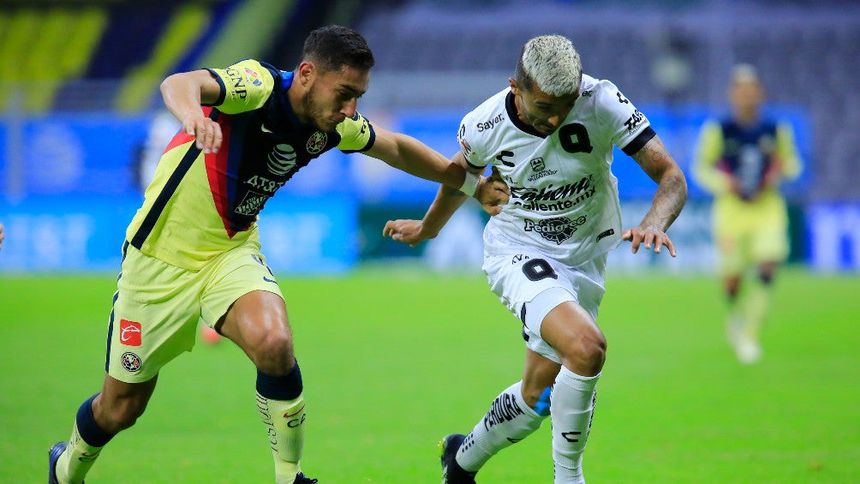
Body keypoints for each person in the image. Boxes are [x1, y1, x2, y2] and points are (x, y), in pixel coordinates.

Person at [48, 25, 508, 484]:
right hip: (158, 261)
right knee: (121, 408)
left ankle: (290, 477)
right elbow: (179, 83)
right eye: (344, 94)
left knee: (274, 343)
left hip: (229, 252)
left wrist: (471, 184)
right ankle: (66, 467)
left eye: (358, 97)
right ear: (307, 74)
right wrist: (193, 116)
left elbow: (396, 148)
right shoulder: (258, 86)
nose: (350, 109)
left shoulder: (332, 126)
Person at [383, 35, 687, 483]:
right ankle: (569, 477)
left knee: (536, 399)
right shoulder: (484, 124)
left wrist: (656, 221)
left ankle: (459, 462)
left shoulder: (602, 100)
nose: (557, 117)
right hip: (519, 249)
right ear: (516, 87)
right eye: (545, 106)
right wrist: (428, 228)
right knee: (587, 348)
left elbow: (671, 176)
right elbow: (460, 176)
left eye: (565, 105)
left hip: (586, 258)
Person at [693, 64, 802, 364]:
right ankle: (736, 318)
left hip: (767, 208)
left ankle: (750, 333)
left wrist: (780, 173)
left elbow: (792, 163)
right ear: (733, 94)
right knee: (733, 279)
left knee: (768, 264)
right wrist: (725, 183)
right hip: (732, 211)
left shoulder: (776, 129)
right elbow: (702, 167)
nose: (747, 96)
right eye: (741, 91)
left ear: (759, 94)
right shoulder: (719, 129)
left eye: (752, 90)